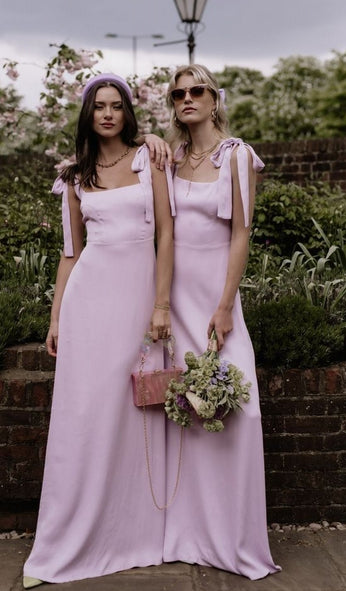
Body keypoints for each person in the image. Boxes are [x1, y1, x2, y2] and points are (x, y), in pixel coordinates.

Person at [23, 73, 174, 588]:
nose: (107, 114)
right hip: (89, 300)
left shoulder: (148, 158)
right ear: (87, 115)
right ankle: (78, 532)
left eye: (116, 106)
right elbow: (70, 252)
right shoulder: (73, 175)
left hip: (136, 302)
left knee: (133, 412)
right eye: (98, 107)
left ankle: (135, 531)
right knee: (85, 413)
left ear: (128, 113)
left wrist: (161, 305)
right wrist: (56, 317)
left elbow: (168, 234)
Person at [158, 64, 281, 580]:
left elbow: (241, 236)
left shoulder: (237, 156)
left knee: (239, 413)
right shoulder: (172, 157)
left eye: (197, 90)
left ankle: (233, 537)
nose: (188, 98)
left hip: (214, 303)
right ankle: (186, 534)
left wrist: (227, 305)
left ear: (214, 100)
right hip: (173, 302)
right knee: (183, 419)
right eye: (178, 93)